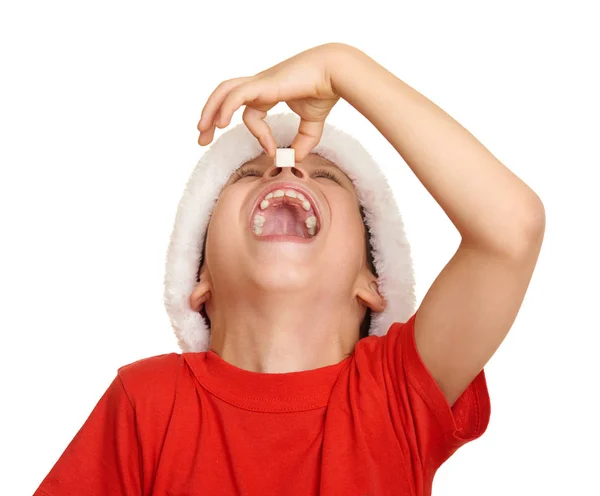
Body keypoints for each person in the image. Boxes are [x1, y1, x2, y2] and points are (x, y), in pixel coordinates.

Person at [33, 42, 545, 495]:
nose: (285, 167)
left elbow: (511, 231)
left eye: (326, 175)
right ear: (199, 280)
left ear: (374, 283)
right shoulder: (146, 401)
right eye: (246, 174)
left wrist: (340, 66)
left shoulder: (395, 394)